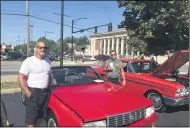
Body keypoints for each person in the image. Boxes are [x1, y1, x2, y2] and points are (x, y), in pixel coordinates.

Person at [18, 41, 51, 127]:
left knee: (40, 117)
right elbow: (20, 77)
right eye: (40, 47)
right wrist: (27, 92)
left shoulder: (48, 61)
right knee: (31, 120)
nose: (42, 49)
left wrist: (49, 88)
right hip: (33, 92)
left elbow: (49, 75)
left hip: (45, 93)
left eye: (44, 48)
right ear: (36, 49)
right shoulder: (29, 61)